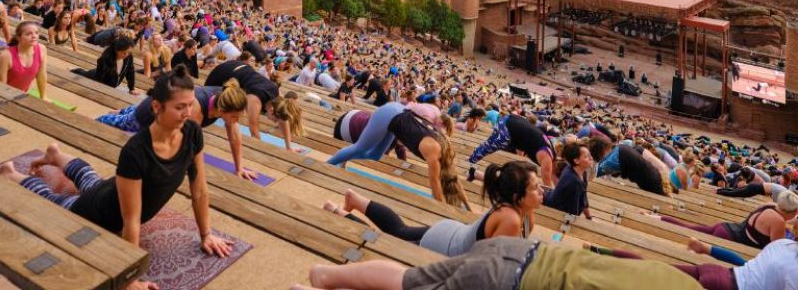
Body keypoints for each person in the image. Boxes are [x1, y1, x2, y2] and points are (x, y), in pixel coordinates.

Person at [0, 68, 233, 290]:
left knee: (92, 180)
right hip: (100, 212)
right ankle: (12, 173)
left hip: (112, 190)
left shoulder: (193, 132)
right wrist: (130, 279)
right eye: (180, 107)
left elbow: (200, 190)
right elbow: (130, 219)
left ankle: (55, 155)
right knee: (54, 201)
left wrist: (206, 234)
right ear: (156, 107)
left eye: (191, 105)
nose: (188, 113)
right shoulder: (136, 151)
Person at [290, 235, 704, 290]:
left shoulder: (683, 282)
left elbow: (618, 256)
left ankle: (326, 275)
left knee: (406, 280)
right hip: (503, 282)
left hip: (520, 248)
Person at [323, 161, 542, 256]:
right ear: (517, 197)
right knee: (384, 242)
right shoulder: (511, 219)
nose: (542, 191)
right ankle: (337, 211)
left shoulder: (523, 212)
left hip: (452, 233)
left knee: (400, 230)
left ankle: (354, 199)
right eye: (535, 187)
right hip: (443, 245)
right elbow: (487, 265)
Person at [97, 65, 258, 181]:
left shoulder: (225, 98)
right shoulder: (195, 111)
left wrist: (239, 168)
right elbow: (181, 144)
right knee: (115, 122)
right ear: (223, 111)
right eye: (235, 118)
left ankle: (120, 111)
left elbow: (235, 136)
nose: (237, 122)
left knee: (128, 112)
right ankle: (104, 117)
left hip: (160, 102)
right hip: (149, 114)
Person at [327, 102, 469, 208]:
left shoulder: (445, 152)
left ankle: (344, 157)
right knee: (360, 148)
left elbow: (455, 180)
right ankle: (327, 164)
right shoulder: (434, 151)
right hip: (388, 114)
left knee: (376, 155)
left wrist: (468, 208)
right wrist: (443, 210)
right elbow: (435, 184)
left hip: (398, 114)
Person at [586, 237, 798, 290]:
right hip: (725, 287)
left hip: (716, 272)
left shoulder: (783, 244)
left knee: (652, 267)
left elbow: (751, 265)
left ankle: (599, 252)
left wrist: (709, 250)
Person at [205, 59, 303, 150]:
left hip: (241, 68)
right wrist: (259, 153)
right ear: (272, 111)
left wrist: (288, 147)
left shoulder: (278, 95)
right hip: (223, 73)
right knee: (208, 111)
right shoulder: (255, 99)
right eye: (275, 120)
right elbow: (254, 130)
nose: (274, 122)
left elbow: (284, 119)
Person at [657, 190, 798, 249]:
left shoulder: (771, 206)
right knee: (688, 231)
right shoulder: (778, 222)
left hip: (725, 228)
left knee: (687, 227)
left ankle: (657, 217)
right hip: (729, 239)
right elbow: (776, 249)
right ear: (793, 211)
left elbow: (785, 219)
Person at [468, 114, 555, 186]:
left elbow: (524, 140)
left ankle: (470, 161)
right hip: (507, 130)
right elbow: (547, 181)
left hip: (507, 120)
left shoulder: (546, 146)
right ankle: (470, 164)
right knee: (489, 148)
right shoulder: (547, 157)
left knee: (487, 145)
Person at [589, 137, 666, 195]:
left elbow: (592, 176)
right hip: (655, 178)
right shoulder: (621, 148)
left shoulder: (612, 159)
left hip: (652, 184)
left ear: (599, 152)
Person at [0, 20, 47, 98]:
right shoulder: (6, 56)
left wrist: (43, 96)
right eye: (28, 34)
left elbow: (41, 76)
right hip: (4, 96)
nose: (34, 36)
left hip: (20, 95)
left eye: (36, 33)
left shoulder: (41, 49)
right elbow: (1, 87)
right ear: (18, 38)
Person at [543, 142, 592, 218]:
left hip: (552, 198)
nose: (591, 158)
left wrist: (589, 217)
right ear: (576, 161)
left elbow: (584, 196)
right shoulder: (574, 182)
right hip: (554, 211)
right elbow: (572, 213)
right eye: (586, 156)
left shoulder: (581, 172)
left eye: (589, 155)